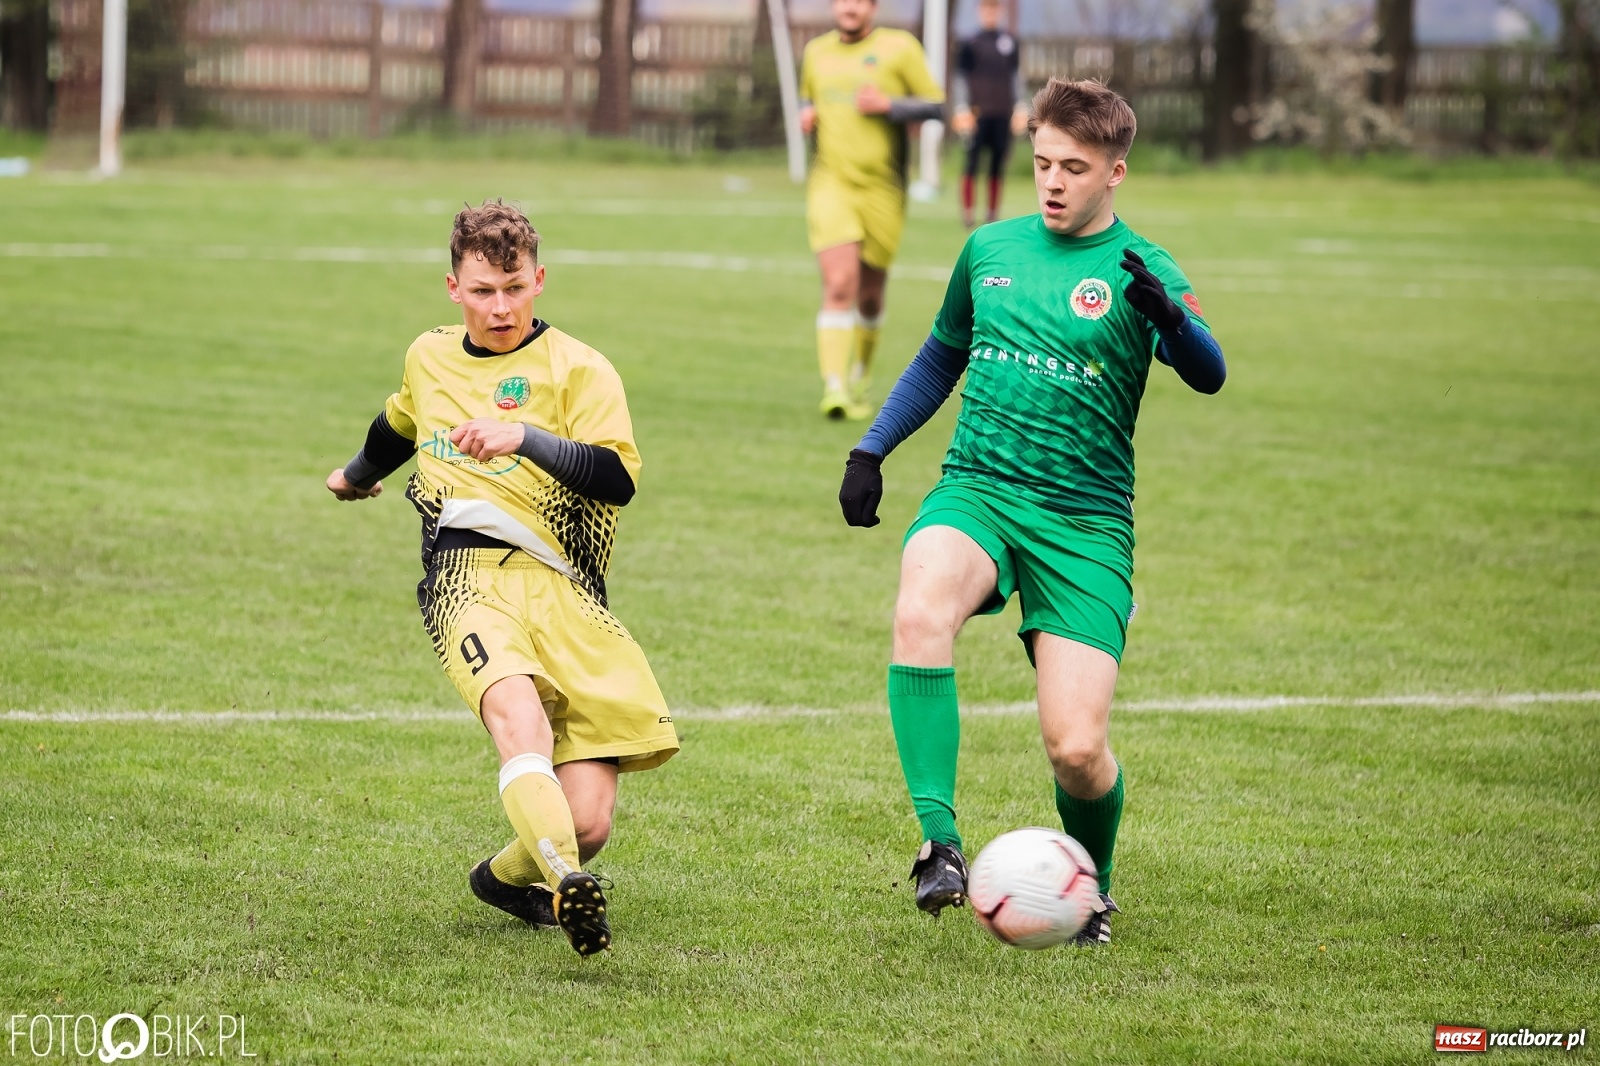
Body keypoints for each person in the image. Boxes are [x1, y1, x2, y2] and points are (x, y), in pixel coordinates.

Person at [837, 79, 1227, 945]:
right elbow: (940, 359)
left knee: (1077, 751)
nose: (1052, 181)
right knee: (919, 608)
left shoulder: (1143, 270)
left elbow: (1210, 373)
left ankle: (1093, 891)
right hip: (978, 489)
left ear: (1115, 172)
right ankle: (940, 844)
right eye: (1043, 162)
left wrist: (1176, 325)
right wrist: (872, 450)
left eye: (1074, 168)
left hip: (1086, 524)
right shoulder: (989, 249)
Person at [325, 200, 679, 957]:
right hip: (467, 577)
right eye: (483, 291)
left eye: (514, 288)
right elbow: (397, 423)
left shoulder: (579, 368)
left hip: (569, 592)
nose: (500, 307)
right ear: (453, 287)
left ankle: (505, 878)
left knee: (588, 822)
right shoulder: (428, 355)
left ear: (539, 280)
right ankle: (565, 884)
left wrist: (526, 438)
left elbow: (616, 479)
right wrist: (355, 477)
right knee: (520, 720)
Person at [799, 0, 945, 421]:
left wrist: (890, 106)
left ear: (873, 7)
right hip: (831, 184)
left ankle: (860, 375)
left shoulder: (899, 48)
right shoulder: (816, 53)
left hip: (883, 190)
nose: (850, 7)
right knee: (840, 282)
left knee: (869, 293)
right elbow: (809, 101)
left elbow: (936, 105)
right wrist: (806, 115)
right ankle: (835, 388)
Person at [951, 0, 1029, 228]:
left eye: (995, 8)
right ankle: (967, 214)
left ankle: (992, 213)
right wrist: (961, 107)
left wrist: (1021, 106)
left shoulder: (1009, 43)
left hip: (1002, 113)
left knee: (997, 164)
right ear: (979, 11)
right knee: (972, 164)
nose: (990, 13)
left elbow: (1016, 77)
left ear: (1001, 12)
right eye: (986, 8)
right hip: (976, 114)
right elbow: (960, 80)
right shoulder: (969, 43)